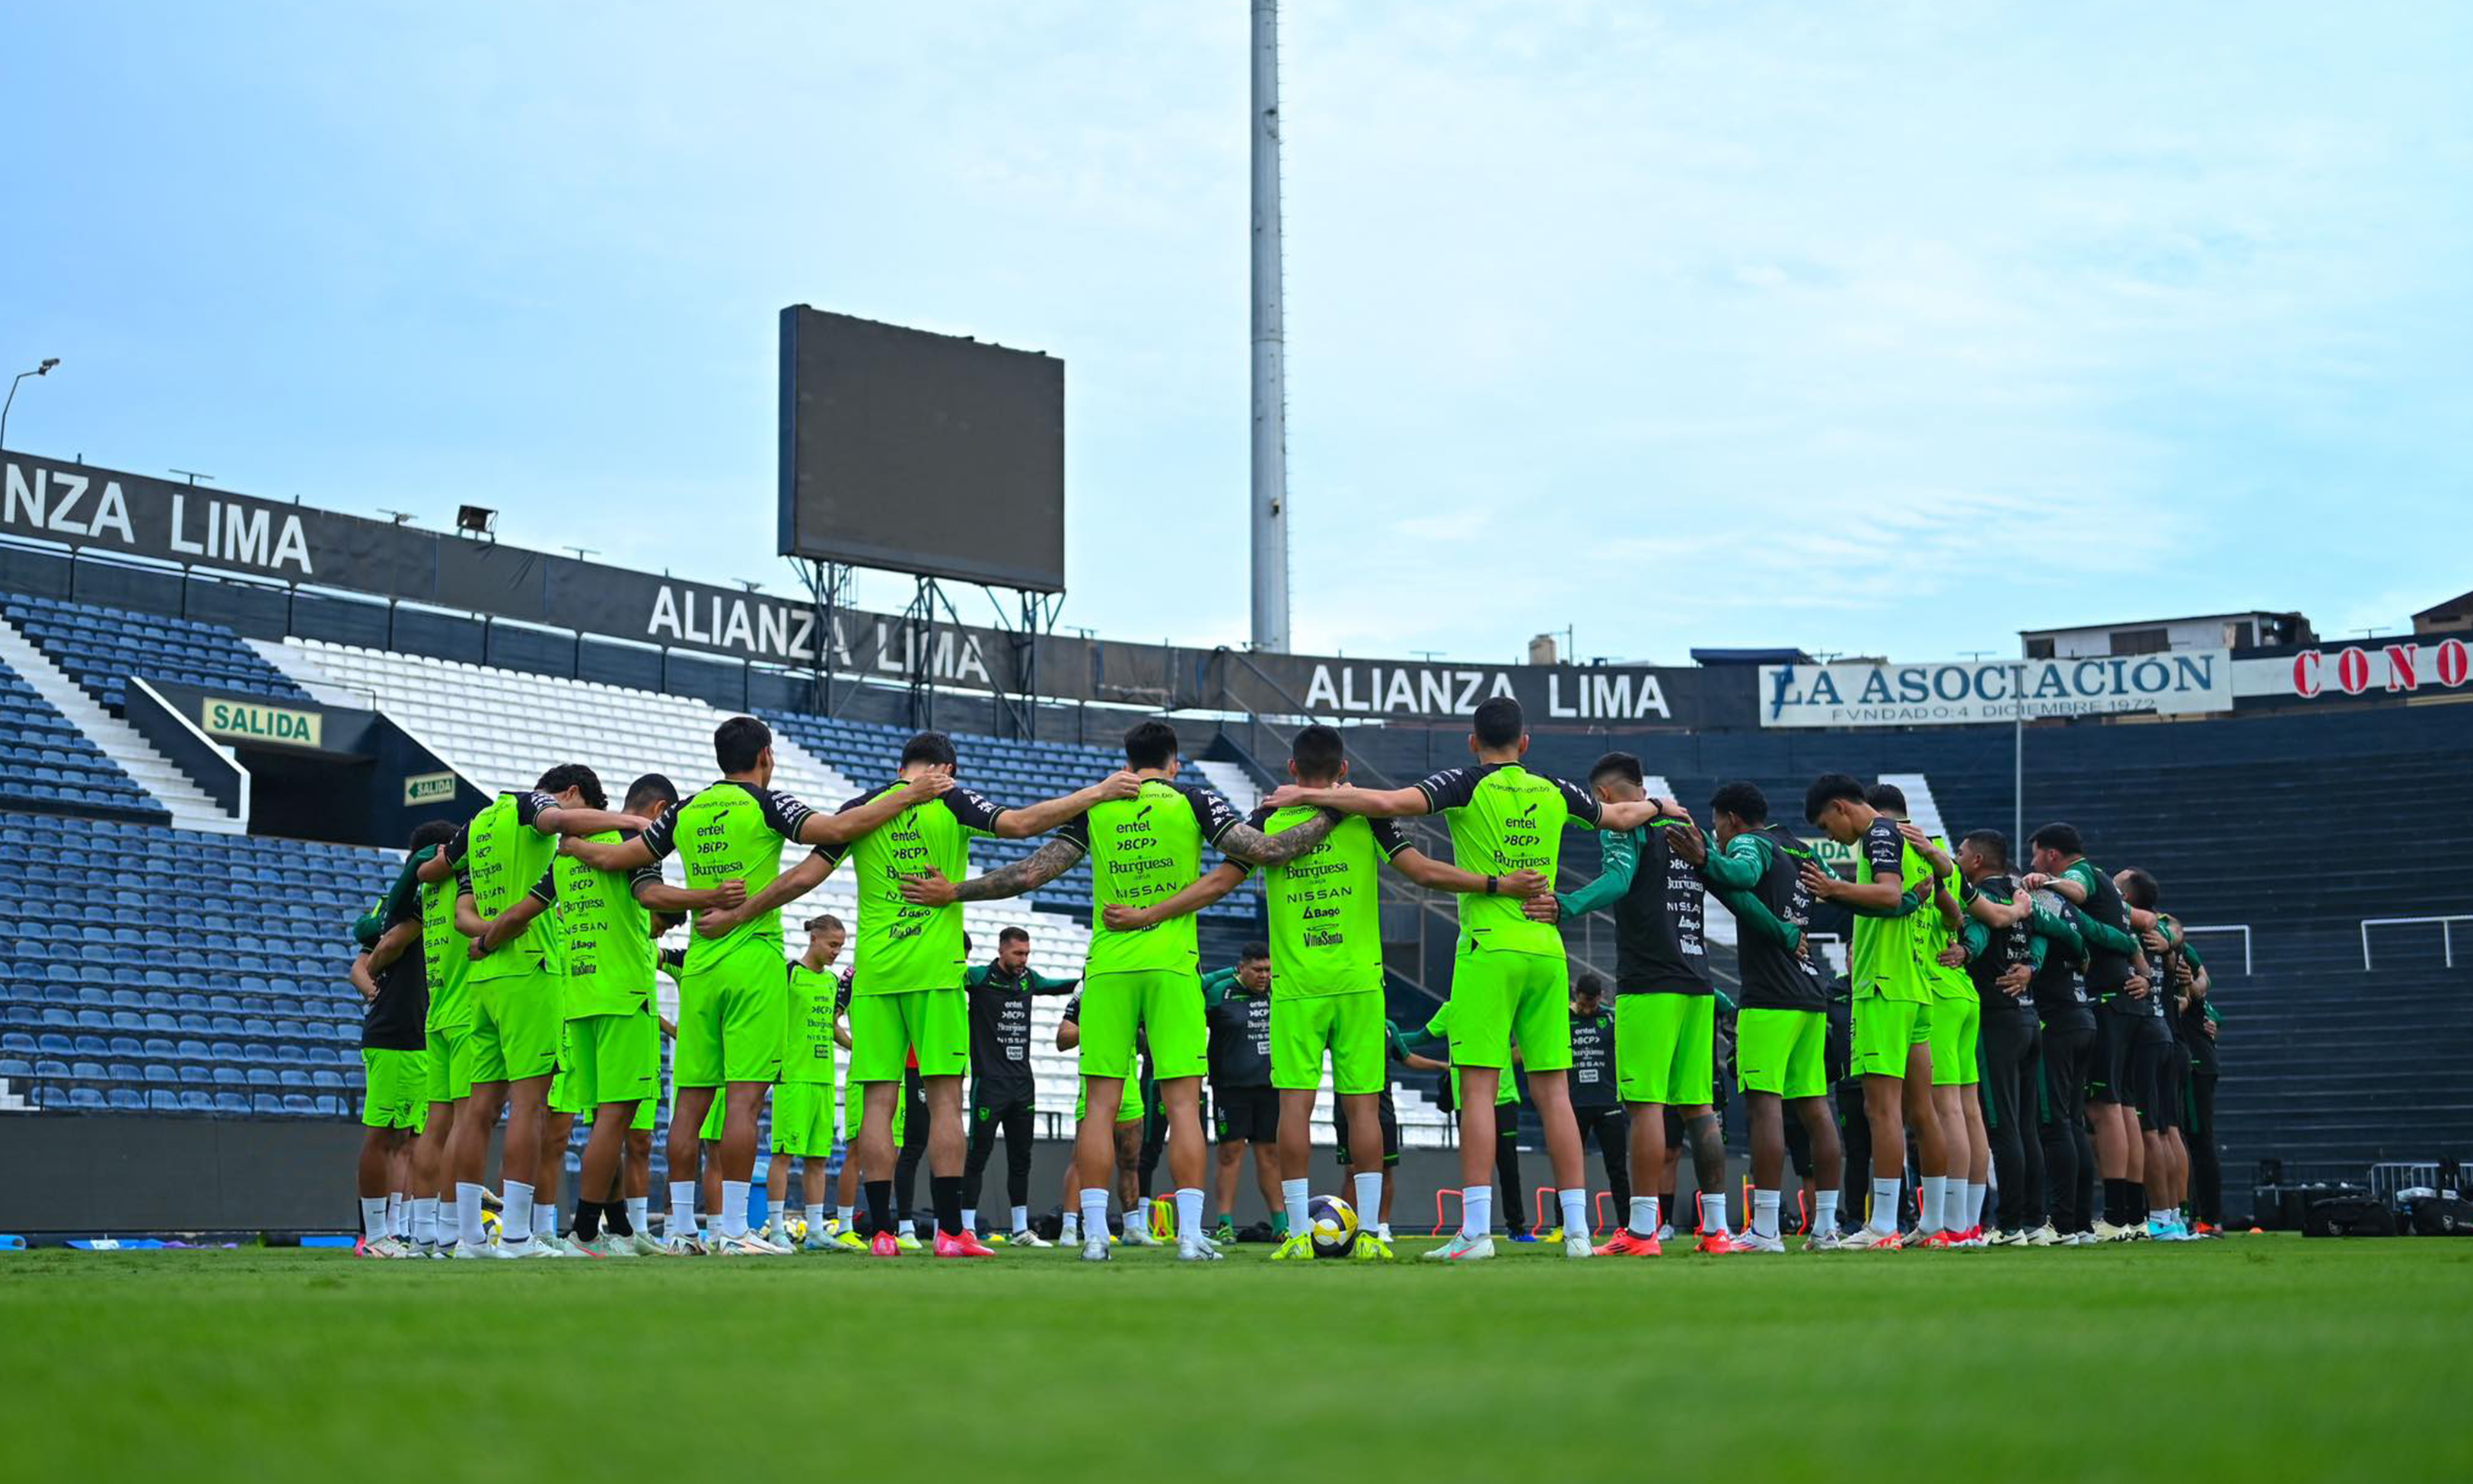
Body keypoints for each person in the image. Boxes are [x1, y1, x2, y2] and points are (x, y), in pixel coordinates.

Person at [1103, 723, 1546, 1262]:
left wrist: (1148, 914)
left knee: (1295, 1106)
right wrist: (1496, 885)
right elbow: (1423, 873)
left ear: (1292, 771)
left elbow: (1219, 882)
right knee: (1363, 1109)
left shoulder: (1268, 818)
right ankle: (1368, 1234)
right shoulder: (1367, 815)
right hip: (1360, 982)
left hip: (1296, 985)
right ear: (1343, 771)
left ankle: (1295, 1232)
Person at [903, 719, 1333, 1263]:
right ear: (1173, 762)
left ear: (1128, 763)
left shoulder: (1099, 806)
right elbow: (1267, 850)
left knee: (1100, 1107)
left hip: (1106, 968)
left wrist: (955, 891)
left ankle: (1095, 1239)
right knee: (1181, 1105)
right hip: (1172, 967)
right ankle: (1191, 1237)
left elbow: (1030, 874)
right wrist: (1335, 809)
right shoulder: (1192, 800)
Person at [697, 730, 1134, 1259]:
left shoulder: (861, 807)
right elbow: (1020, 825)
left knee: (879, 1105)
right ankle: (951, 1233)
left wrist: (739, 914)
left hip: (875, 976)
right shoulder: (948, 797)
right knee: (946, 1101)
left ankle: (882, 1233)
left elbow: (803, 878)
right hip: (933, 973)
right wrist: (1097, 793)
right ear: (945, 767)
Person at [1262, 699, 1672, 1262]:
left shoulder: (1465, 783)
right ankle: (1578, 1232)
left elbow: (1384, 801)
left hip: (1487, 949)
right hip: (1546, 951)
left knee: (1478, 1088)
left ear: (1472, 741)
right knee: (1554, 1092)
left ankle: (1476, 1232)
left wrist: (1307, 795)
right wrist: (1658, 805)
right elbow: (1622, 817)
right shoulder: (1554, 789)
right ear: (1524, 743)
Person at [556, 715, 949, 1256]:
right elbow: (836, 832)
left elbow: (626, 866)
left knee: (689, 1103)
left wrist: (577, 849)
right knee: (743, 1101)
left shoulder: (686, 809)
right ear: (766, 755)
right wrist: (909, 796)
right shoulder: (766, 803)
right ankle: (735, 1230)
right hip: (752, 959)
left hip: (700, 967)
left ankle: (680, 1232)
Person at [419, 765, 654, 1259]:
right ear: (569, 793)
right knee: (529, 1108)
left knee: (475, 1112)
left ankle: (469, 1239)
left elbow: (455, 905)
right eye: (580, 808)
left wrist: (489, 937)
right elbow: (554, 825)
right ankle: (520, 1237)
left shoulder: (478, 824)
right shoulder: (534, 806)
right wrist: (632, 825)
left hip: (482, 985)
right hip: (531, 975)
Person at [556, 771, 738, 1256]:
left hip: (581, 995)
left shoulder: (568, 848)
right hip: (623, 994)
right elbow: (651, 895)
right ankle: (585, 1232)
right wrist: (711, 897)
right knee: (615, 1120)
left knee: (603, 1122)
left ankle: (618, 1229)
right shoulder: (632, 837)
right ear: (660, 813)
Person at [1550, 753, 1723, 1255]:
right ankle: (1716, 1231)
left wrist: (1566, 904)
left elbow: (1619, 881)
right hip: (1697, 979)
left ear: (1603, 798)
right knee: (1699, 1108)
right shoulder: (1684, 822)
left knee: (1645, 1105)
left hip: (1650, 982)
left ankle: (1643, 1231)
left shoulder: (1624, 825)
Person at [1799, 773, 1952, 1250]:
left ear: (1842, 807)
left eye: (1828, 826)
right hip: (1916, 987)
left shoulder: (1878, 835)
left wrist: (1834, 889)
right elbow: (1945, 889)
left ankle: (1883, 1224)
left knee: (1880, 1109)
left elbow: (1888, 894)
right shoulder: (1912, 840)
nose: (1831, 838)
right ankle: (1933, 1224)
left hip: (1883, 986)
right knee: (1922, 1111)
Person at [1868, 785, 2023, 1247]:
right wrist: (2020, 906)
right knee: (1968, 1110)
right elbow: (1985, 916)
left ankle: (1953, 1225)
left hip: (1932, 986)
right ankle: (1966, 1223)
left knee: (1944, 1109)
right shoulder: (1946, 863)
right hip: (1964, 992)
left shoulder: (1904, 853)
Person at [1693, 782, 1844, 1253]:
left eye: (1716, 823)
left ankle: (1764, 1230)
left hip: (1771, 995)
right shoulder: (1795, 847)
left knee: (1764, 1107)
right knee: (1817, 1109)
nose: (1716, 832)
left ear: (1732, 819)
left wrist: (1705, 860)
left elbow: (1739, 874)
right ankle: (1826, 1229)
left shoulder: (1748, 842)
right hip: (1810, 991)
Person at [2019, 823, 2151, 1241]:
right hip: (2121, 1002)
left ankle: (2114, 1217)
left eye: (2038, 856)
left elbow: (2073, 893)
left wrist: (2048, 883)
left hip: (2104, 1002)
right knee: (2122, 1108)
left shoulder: (2079, 878)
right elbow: (2134, 933)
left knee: (2102, 1110)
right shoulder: (2110, 890)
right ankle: (2132, 1215)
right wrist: (2144, 976)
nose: (2033, 864)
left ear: (2053, 855)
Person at [1955, 830, 2049, 1246]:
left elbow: (1977, 932)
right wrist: (2032, 965)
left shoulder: (1981, 899)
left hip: (1997, 1021)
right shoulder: (2024, 896)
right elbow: (2055, 931)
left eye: (1960, 853)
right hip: (2030, 1019)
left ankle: (2009, 1226)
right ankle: (2035, 1221)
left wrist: (1966, 952)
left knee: (2003, 1127)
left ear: (1977, 860)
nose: (1956, 858)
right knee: (2028, 1128)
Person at [349, 837, 438, 1257]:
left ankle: (396, 1230)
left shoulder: (435, 908)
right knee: (383, 1135)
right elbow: (364, 962)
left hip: (422, 1037)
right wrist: (374, 992)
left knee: (408, 1138)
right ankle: (372, 1234)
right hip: (395, 1032)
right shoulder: (403, 909)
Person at [960, 925, 1077, 1244]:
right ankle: (966, 1227)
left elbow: (1058, 986)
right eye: (1018, 953)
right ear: (1001, 950)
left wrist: (1086, 980)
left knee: (1021, 1158)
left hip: (1023, 1083)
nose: (1023, 959)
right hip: (989, 1083)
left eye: (1027, 953)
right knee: (978, 1154)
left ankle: (1020, 1230)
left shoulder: (1028, 979)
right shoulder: (980, 978)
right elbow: (947, 978)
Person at [2118, 868, 2194, 1240]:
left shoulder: (2136, 930)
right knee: (2168, 1131)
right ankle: (2177, 1217)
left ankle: (2162, 1218)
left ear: (2128, 899)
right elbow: (2177, 931)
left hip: (2147, 1034)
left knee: (2150, 1131)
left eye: (2115, 888)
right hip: (2168, 1036)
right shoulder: (2164, 931)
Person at [769, 914, 846, 1252]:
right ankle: (775, 1230)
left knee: (818, 1159)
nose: (836, 952)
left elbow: (831, 1027)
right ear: (814, 939)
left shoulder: (831, 982)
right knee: (784, 1155)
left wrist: (860, 1047)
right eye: (832, 945)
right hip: (793, 1078)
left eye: (841, 946)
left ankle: (815, 1232)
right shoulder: (789, 974)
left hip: (823, 1078)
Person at [1056, 989, 1151, 1244]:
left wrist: (1139, 1030)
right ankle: (1068, 1227)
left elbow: (1144, 1045)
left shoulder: (1132, 995)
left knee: (1130, 1162)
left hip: (1129, 1091)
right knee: (1080, 1160)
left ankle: (1132, 1228)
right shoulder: (1084, 996)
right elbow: (1062, 1039)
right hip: (1094, 1091)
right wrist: (1096, 1022)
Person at [1202, 948, 1282, 1243]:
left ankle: (1281, 1224)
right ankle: (1224, 1224)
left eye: (1268, 970)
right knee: (1229, 1153)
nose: (1264, 976)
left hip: (1270, 1085)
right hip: (1230, 1087)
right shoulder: (1221, 992)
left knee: (1271, 1155)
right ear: (1241, 968)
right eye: (1257, 970)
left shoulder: (1280, 991)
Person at [1566, 975, 1626, 1240]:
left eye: (1593, 1003)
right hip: (1574, 1103)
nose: (1589, 1009)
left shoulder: (1612, 1019)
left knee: (1617, 1167)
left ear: (1601, 996)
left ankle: (1626, 1225)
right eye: (1584, 1003)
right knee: (1568, 1164)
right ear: (1576, 994)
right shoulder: (1563, 1019)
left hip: (1607, 1103)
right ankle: (1562, 1226)